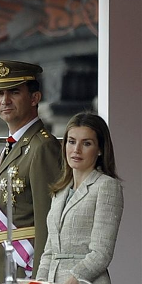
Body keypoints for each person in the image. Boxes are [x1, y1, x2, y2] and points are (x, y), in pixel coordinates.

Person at [0, 60, 62, 282]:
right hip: (2, 267)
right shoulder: (12, 145)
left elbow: (48, 222)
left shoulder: (42, 146)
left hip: (24, 270)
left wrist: (40, 279)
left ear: (35, 98)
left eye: (14, 92)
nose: (5, 100)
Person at [36, 113, 124, 284]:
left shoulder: (106, 186)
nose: (76, 150)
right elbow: (49, 251)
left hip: (86, 281)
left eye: (86, 143)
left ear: (100, 149)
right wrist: (40, 281)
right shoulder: (59, 191)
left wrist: (73, 279)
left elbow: (102, 252)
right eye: (71, 141)